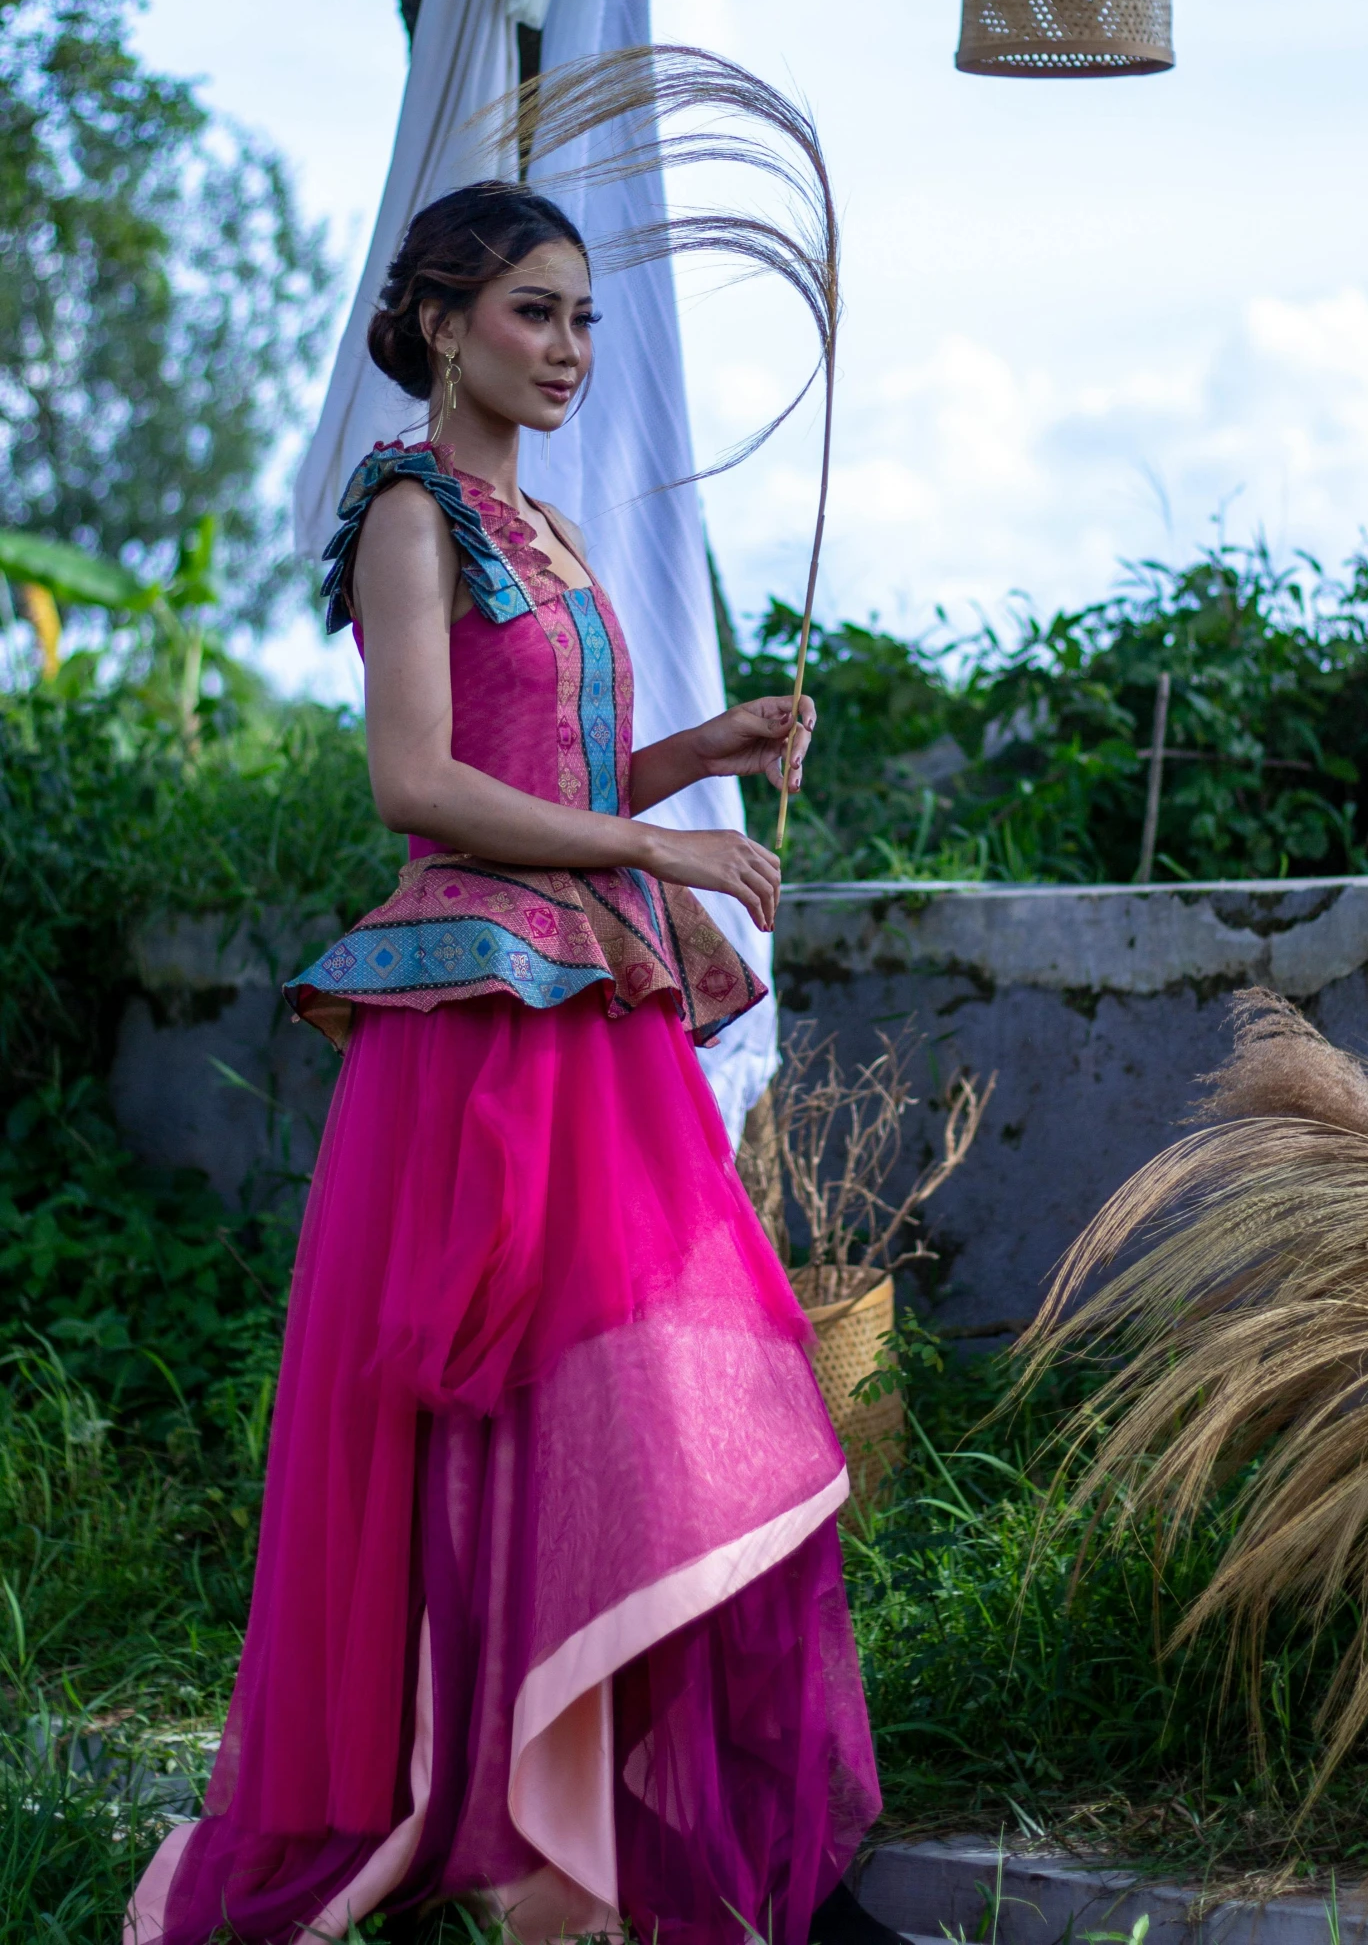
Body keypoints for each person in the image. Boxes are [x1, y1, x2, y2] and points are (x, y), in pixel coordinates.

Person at [126, 180, 892, 1945]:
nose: (568, 349)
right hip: (479, 1038)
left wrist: (700, 750)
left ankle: (613, 1838)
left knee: (628, 1412)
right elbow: (417, 786)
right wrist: (668, 852)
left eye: (584, 317)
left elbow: (554, 763)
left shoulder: (542, 533)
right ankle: (508, 1821)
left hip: (587, 1026)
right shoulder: (411, 514)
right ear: (441, 322)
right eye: (534, 312)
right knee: (518, 1416)